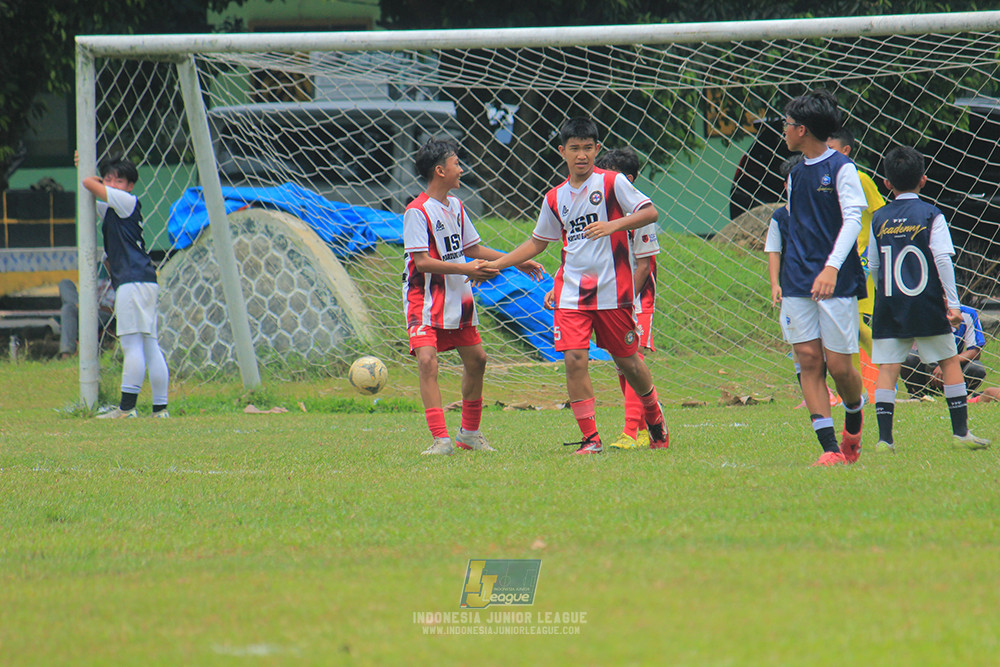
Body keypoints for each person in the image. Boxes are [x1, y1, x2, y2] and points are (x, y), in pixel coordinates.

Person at [482, 117, 669, 454]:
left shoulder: (612, 183)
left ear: (597, 149)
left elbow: (650, 212)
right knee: (575, 359)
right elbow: (538, 243)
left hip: (612, 293)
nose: (581, 155)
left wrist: (613, 225)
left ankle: (654, 417)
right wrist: (498, 263)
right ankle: (591, 438)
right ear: (562, 152)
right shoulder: (555, 198)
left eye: (587, 148)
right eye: (574, 148)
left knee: (628, 362)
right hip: (571, 294)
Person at [403, 137, 544, 455]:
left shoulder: (456, 206)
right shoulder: (416, 211)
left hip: (458, 296)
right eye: (457, 164)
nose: (462, 169)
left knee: (478, 359)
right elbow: (422, 262)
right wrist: (466, 269)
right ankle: (441, 439)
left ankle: (469, 434)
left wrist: (514, 261)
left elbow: (473, 248)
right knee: (427, 361)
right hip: (425, 300)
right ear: (440, 171)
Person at [767, 90, 868, 466]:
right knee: (808, 359)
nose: (784, 130)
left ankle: (854, 416)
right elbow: (797, 227)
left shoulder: (842, 169)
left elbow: (853, 220)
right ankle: (830, 449)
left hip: (835, 280)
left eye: (787, 124)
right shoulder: (795, 173)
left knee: (840, 367)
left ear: (802, 130)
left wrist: (831, 267)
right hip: (798, 279)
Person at [867, 145, 989, 451]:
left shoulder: (878, 218)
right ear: (923, 179)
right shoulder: (931, 215)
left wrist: (885, 295)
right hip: (926, 304)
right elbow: (943, 260)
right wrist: (953, 304)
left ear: (887, 183)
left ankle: (884, 439)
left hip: (891, 304)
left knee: (888, 368)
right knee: (948, 361)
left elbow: (874, 265)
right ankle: (960, 433)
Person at [80, 155, 170, 418]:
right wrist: (81, 164)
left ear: (130, 185)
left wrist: (91, 177)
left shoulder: (125, 201)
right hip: (143, 279)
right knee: (149, 344)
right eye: (108, 179)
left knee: (132, 345)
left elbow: (89, 184)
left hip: (133, 281)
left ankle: (127, 409)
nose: (111, 184)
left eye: (118, 180)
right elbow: (93, 192)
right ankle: (160, 409)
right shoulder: (114, 208)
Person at [827, 128, 886, 356]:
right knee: (845, 323)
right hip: (837, 259)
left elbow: (881, 214)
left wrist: (873, 251)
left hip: (861, 259)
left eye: (831, 149)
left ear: (846, 150)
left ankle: (887, 364)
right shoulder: (827, 182)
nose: (826, 154)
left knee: (854, 322)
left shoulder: (861, 179)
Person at [900, 303, 988, 397]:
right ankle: (918, 394)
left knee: (976, 368)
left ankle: (960, 396)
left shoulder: (967, 313)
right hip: (926, 365)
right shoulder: (920, 310)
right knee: (909, 357)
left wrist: (947, 363)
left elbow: (975, 351)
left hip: (954, 367)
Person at [58, 272, 115, 359]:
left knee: (68, 308)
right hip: (86, 308)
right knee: (65, 284)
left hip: (102, 314)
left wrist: (95, 306)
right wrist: (86, 304)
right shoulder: (100, 281)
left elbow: (115, 311)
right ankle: (79, 305)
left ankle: (66, 354)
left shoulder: (121, 286)